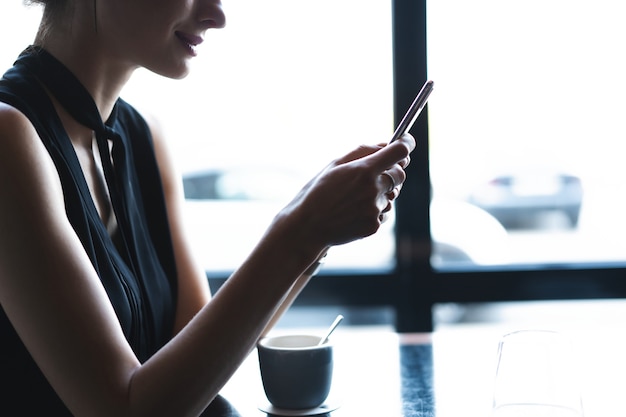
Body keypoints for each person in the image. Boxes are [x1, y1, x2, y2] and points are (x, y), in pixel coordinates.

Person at [0, 0, 416, 415]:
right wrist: (301, 230)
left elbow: (201, 352)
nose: (217, 15)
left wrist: (316, 230)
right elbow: (124, 408)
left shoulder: (143, 138)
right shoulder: (8, 137)